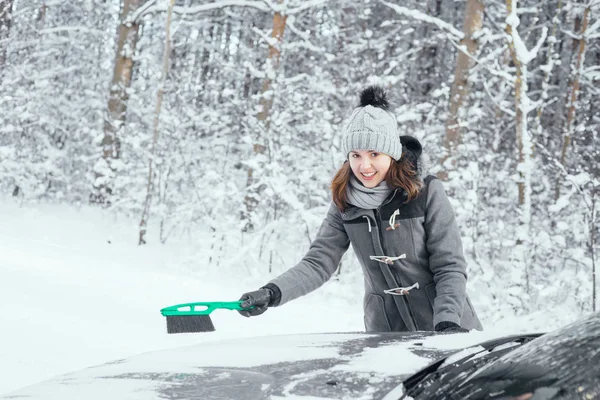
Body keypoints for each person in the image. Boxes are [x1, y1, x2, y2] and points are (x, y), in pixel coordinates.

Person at [238, 85, 482, 333]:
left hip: (449, 329)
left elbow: (449, 265)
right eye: (356, 155)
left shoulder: (426, 192)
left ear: (392, 154)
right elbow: (318, 262)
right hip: (387, 333)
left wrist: (448, 322)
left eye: (374, 153)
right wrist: (271, 292)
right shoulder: (345, 200)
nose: (364, 165)